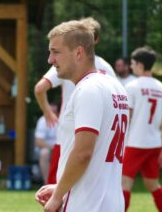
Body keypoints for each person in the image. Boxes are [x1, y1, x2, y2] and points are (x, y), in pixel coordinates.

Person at [35, 20, 128, 212]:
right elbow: (98, 154)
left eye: (55, 51)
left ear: (78, 52)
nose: (50, 59)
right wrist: (61, 184)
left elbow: (84, 151)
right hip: (109, 211)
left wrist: (58, 196)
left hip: (83, 211)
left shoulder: (87, 89)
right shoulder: (116, 87)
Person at [34, 17, 115, 185]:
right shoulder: (108, 69)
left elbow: (40, 88)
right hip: (102, 145)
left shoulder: (68, 63)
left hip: (69, 139)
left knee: (54, 197)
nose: (51, 59)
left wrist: (47, 112)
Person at [122, 46, 162, 212]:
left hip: (135, 143)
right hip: (154, 143)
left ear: (140, 65)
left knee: (124, 184)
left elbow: (127, 117)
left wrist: (119, 143)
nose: (131, 66)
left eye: (133, 63)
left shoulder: (132, 87)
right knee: (153, 184)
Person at [35, 102, 58, 184]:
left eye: (55, 105)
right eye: (51, 105)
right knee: (44, 153)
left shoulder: (65, 118)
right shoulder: (42, 121)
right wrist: (54, 148)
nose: (53, 108)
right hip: (50, 148)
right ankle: (47, 182)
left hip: (63, 148)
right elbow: (38, 142)